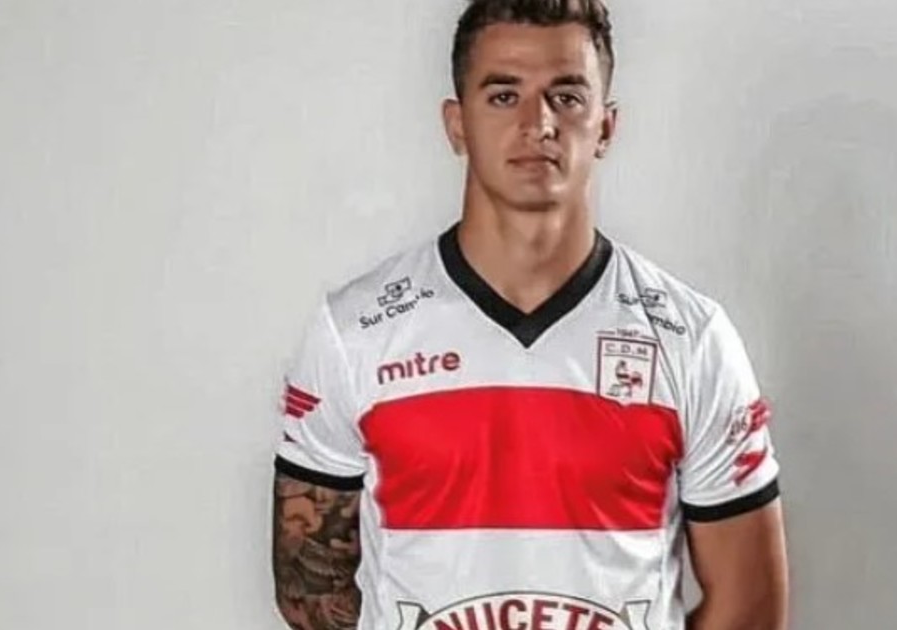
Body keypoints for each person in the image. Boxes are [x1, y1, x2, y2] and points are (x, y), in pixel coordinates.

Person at [270, 1, 789, 628]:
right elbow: (308, 589)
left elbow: (750, 604)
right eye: (503, 96)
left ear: (606, 126)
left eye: (566, 97)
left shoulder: (692, 340)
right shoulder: (355, 332)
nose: (537, 123)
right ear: (456, 125)